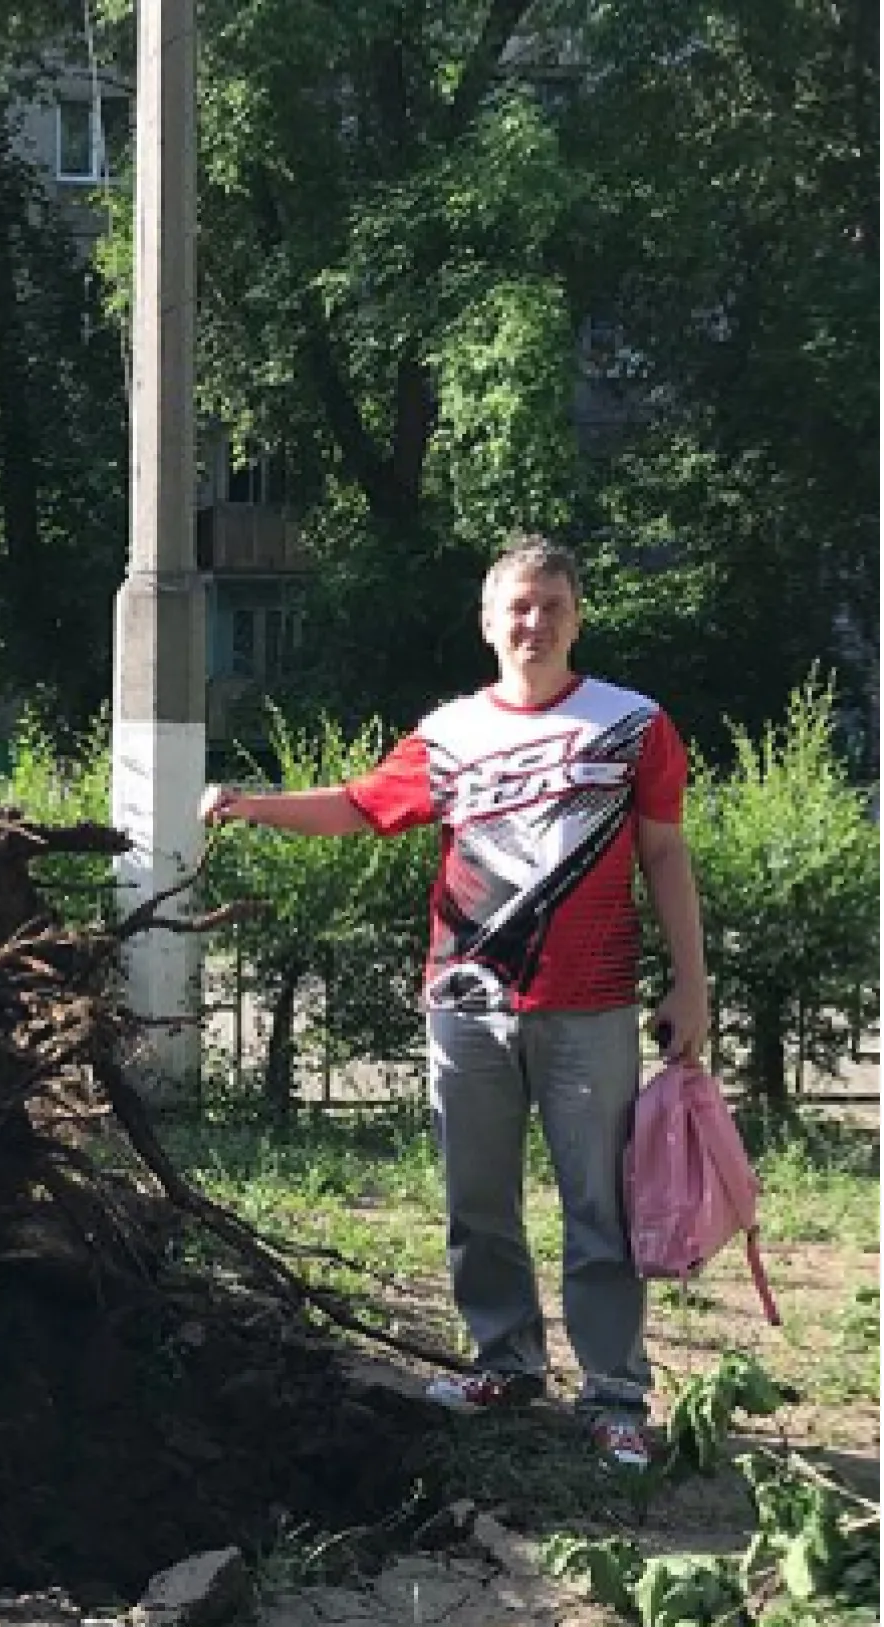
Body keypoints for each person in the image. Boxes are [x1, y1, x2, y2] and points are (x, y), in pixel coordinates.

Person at [201, 535, 709, 1470]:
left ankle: (614, 1395)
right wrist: (253, 804)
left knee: (598, 1203)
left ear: (578, 616)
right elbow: (360, 806)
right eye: (518, 605)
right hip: (465, 1000)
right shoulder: (449, 734)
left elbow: (666, 855)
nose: (535, 620)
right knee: (476, 1197)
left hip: (591, 1004)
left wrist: (691, 981)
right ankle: (505, 1362)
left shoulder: (634, 725)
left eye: (553, 602)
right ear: (487, 622)